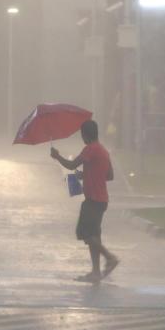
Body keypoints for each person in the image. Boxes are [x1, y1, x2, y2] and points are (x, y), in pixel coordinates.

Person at [51, 120, 119, 283]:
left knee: (86, 234)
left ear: (85, 135)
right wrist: (87, 174)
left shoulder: (90, 149)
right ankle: (95, 272)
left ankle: (110, 258)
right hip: (101, 199)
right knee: (94, 235)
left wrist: (57, 156)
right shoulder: (103, 150)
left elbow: (72, 164)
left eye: (82, 134)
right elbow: (109, 175)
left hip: (93, 200)